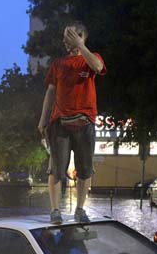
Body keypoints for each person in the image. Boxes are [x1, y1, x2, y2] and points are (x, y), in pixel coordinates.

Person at [38, 21, 106, 224]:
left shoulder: (90, 59)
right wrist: (43, 120)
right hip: (60, 123)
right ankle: (55, 210)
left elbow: (98, 67)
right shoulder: (58, 64)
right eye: (64, 36)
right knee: (56, 169)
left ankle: (80, 209)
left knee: (85, 169)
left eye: (68, 36)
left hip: (85, 122)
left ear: (80, 37)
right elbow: (50, 92)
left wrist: (82, 46)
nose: (63, 40)